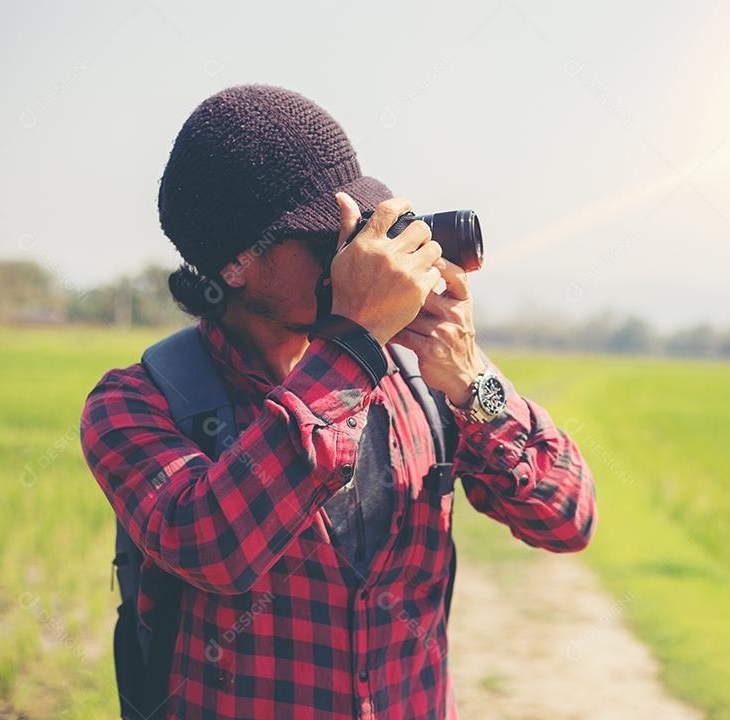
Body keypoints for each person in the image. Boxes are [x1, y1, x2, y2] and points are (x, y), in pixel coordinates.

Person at [79, 84, 597, 720]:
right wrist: (350, 344)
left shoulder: (417, 383)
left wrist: (471, 380)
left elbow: (568, 518)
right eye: (334, 242)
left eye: (366, 233)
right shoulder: (139, 401)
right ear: (236, 263)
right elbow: (213, 548)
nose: (361, 262)